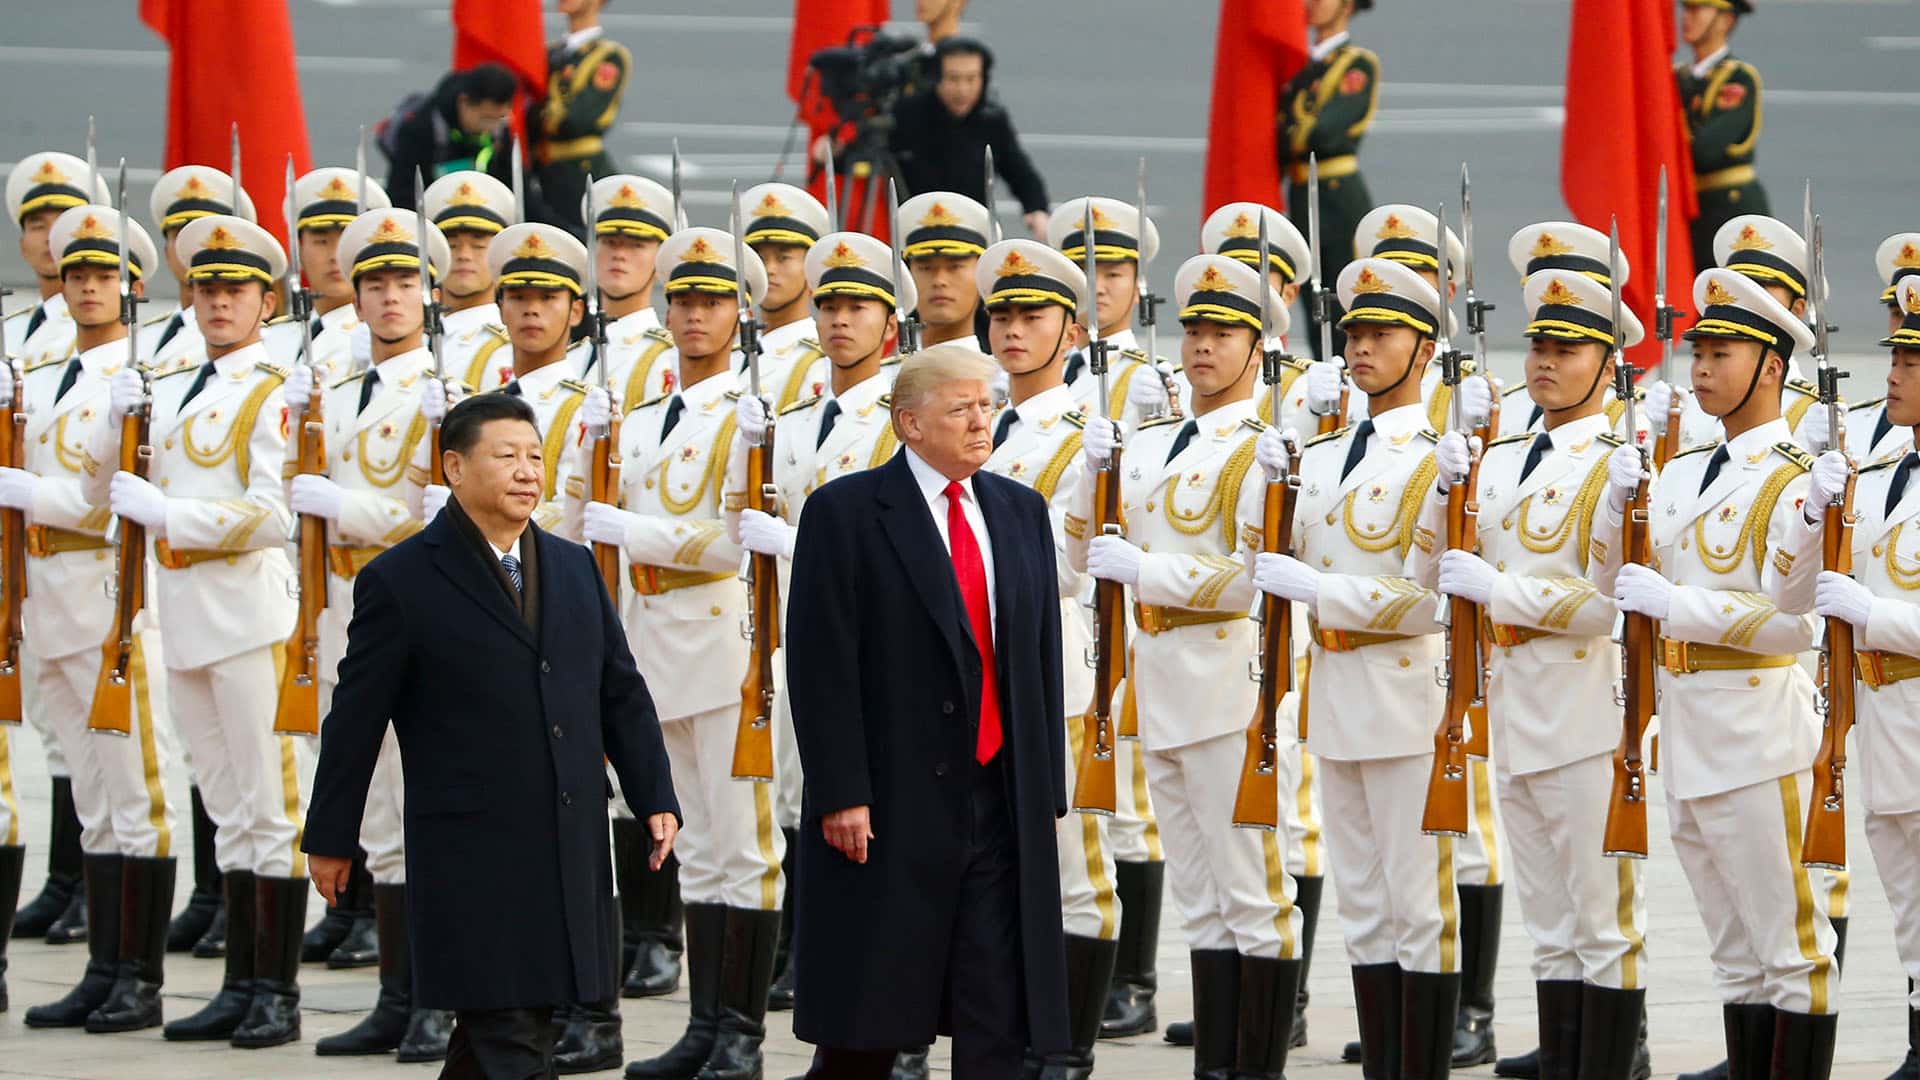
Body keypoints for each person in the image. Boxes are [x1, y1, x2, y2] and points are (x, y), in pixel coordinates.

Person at [302, 390, 679, 1079]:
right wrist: (330, 838)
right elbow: (354, 721)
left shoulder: (571, 566)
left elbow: (617, 687)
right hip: (472, 849)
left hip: (567, 840)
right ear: (453, 467)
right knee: (511, 1033)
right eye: (506, 457)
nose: (527, 472)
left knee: (509, 1028)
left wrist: (653, 791)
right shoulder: (401, 579)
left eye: (535, 457)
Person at [785, 344, 1070, 1078]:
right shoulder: (845, 513)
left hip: (998, 797)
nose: (982, 423)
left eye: (987, 405)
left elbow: (1037, 656)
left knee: (998, 1016)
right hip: (890, 800)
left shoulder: (1017, 510)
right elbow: (822, 665)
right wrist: (842, 791)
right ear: (909, 424)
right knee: (867, 1025)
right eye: (962, 409)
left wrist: (1044, 790)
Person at [1074, 251, 1308, 1080]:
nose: (1202, 346)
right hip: (1160, 681)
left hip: (1230, 686)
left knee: (1253, 894)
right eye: (1195, 330)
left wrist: (1150, 573)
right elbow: (1083, 545)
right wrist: (1090, 462)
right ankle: (1219, 1066)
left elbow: (1252, 577)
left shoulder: (1267, 448)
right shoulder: (1149, 443)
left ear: (1262, 343)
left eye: (1223, 332)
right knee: (1202, 900)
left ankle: (1258, 1068)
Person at [1413, 269, 1652, 1080]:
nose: (1544, 362)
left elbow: (1605, 603)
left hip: (1585, 712)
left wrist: (1503, 590)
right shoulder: (1506, 455)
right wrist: (1445, 484)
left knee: (1603, 920)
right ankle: (1566, 1060)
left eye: (1566, 348)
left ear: (1608, 359)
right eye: (1539, 346)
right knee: (1550, 924)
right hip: (1511, 710)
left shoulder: (1616, 463)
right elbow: (1431, 570)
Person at [1600, 268, 1835, 1076]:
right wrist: (1611, 507)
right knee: (1734, 955)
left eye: (1721, 352)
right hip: (1688, 735)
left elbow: (1793, 623)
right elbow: (1616, 590)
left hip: (1757, 734)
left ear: (1772, 366)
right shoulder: (1679, 470)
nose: (1700, 367)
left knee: (1793, 951)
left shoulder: (1797, 475)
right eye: (1697, 350)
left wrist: (1680, 607)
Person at [82, 215, 308, 1049]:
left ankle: (274, 993)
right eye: (207, 290)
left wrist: (172, 513)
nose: (219, 303)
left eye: (236, 291)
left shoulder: (273, 391)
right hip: (179, 614)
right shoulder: (174, 385)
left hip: (247, 617)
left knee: (268, 807)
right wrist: (115, 422)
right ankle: (239, 983)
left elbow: (271, 511)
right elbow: (106, 485)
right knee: (225, 807)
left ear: (266, 302)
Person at [579, 225, 786, 1080]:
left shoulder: (747, 412)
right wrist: (584, 459)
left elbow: (735, 542)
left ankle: (739, 1032)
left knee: (742, 846)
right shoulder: (650, 405)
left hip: (722, 644)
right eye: (683, 300)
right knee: (693, 847)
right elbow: (581, 518)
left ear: (740, 313)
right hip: (652, 641)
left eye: (712, 301)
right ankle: (705, 1025)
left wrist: (637, 531)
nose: (695, 315)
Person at [1252, 257, 1460, 1076]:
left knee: (1418, 905)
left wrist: (1323, 592)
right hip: (1335, 697)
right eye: (1355, 335)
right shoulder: (1329, 451)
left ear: (1423, 348)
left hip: (1406, 698)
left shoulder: (1438, 458)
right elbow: (1270, 560)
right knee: (1365, 910)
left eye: (1383, 334)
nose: (1363, 348)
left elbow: (1427, 598)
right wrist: (1263, 491)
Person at [723, 230, 914, 1019]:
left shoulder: (900, 420)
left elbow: (902, 542)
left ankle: (881, 979)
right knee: (800, 801)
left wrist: (795, 542)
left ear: (889, 329)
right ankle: (811, 954)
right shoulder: (795, 422)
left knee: (873, 813)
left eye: (857, 307)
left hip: (877, 645)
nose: (839, 321)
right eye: (829, 304)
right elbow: (741, 516)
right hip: (796, 641)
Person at [278, 209, 454, 1063]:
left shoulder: (446, 389)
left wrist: (343, 507)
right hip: (344, 604)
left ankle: (434, 1002)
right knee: (379, 813)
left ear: (429, 292)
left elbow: (443, 519)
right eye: (376, 285)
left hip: (418, 610)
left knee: (420, 804)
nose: (390, 298)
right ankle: (395, 996)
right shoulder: (336, 390)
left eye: (406, 283)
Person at [8, 206, 178, 1035]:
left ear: (132, 288)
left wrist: (31, 493)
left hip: (113, 603)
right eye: (75, 275)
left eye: (103, 277)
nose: (86, 288)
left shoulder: (138, 383)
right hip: (46, 601)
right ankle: (102, 968)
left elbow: (111, 504)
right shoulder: (38, 379)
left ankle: (139, 978)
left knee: (136, 797)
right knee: (93, 803)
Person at [973, 237, 1117, 1079]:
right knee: (997, 864)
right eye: (1003, 316)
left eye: (1033, 317)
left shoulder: (1082, 433)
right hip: (975, 670)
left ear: (1070, 331)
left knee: (1075, 869)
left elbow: (1071, 567)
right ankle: (1017, 1031)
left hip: (1051, 670)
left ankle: (1068, 1046)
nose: (1013, 331)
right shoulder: (977, 418)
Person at [1774, 278, 1920, 1077]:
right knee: (1911, 916)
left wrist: (1876, 613)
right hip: (1882, 731)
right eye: (1895, 353)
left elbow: (1862, 604)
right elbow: (1792, 600)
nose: (1891, 371)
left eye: (1910, 358)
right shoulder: (1882, 469)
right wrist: (1808, 516)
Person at [576, 174, 686, 1008]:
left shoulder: (662, 357)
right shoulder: (579, 351)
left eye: (637, 242)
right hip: (586, 582)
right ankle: (623, 929)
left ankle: (658, 932)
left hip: (650, 582)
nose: (619, 255)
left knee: (656, 764)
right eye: (609, 240)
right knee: (608, 764)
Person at [3, 150, 109, 952]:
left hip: (89, 561)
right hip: (28, 562)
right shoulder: (15, 333)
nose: (50, 236)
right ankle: (66, 880)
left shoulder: (116, 348)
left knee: (112, 751)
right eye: (37, 222)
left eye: (63, 218)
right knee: (51, 729)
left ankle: (88, 891)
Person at [422, 223, 592, 539]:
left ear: (576, 311)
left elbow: (574, 518)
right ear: (500, 309)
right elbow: (420, 500)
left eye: (547, 297)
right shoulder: (480, 404)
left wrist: (470, 511)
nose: (531, 311)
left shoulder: (583, 409)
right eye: (518, 297)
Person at [1283, 0, 1380, 361]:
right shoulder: (1300, 65)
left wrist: (1284, 132)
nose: (1311, 4)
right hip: (1300, 198)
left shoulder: (1355, 65)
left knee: (1343, 303)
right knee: (1312, 306)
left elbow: (1324, 131)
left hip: (1337, 202)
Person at [888, 38, 1050, 240]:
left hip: (973, 232)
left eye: (971, 79)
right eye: (953, 79)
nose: (963, 90)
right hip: (915, 231)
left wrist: (1036, 208)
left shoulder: (991, 119)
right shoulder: (906, 114)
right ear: (936, 77)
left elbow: (1018, 169)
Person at [265, 169, 394, 385]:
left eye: (345, 242)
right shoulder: (273, 337)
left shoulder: (387, 335)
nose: (335, 256)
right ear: (298, 249)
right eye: (321, 242)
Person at [1677, 0, 1767, 272]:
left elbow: (1705, 150)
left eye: (1698, 10)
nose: (1687, 18)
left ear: (1725, 20)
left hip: (1730, 210)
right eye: (1687, 9)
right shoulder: (1679, 77)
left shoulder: (1737, 80)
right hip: (1693, 212)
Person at [530, 0, 629, 237]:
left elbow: (577, 119)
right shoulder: (549, 52)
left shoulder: (607, 56)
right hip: (542, 172)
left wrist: (533, 116)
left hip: (580, 172)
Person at [738, 183, 832, 410]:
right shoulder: (730, 349)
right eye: (759, 258)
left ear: (810, 268)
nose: (769, 269)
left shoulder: (819, 359)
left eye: (783, 258)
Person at [422, 171, 518, 392]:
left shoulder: (506, 344)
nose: (464, 255)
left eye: (478, 246)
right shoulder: (418, 335)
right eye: (452, 246)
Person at [382, 63, 518, 209]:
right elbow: (401, 196)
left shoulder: (499, 129)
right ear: (463, 102)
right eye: (486, 119)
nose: (492, 127)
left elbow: (517, 188)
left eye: (501, 118)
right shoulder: (420, 130)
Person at [897, 191, 991, 352]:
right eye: (925, 268)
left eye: (955, 267)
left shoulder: (1004, 376)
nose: (939, 280)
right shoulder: (886, 376)